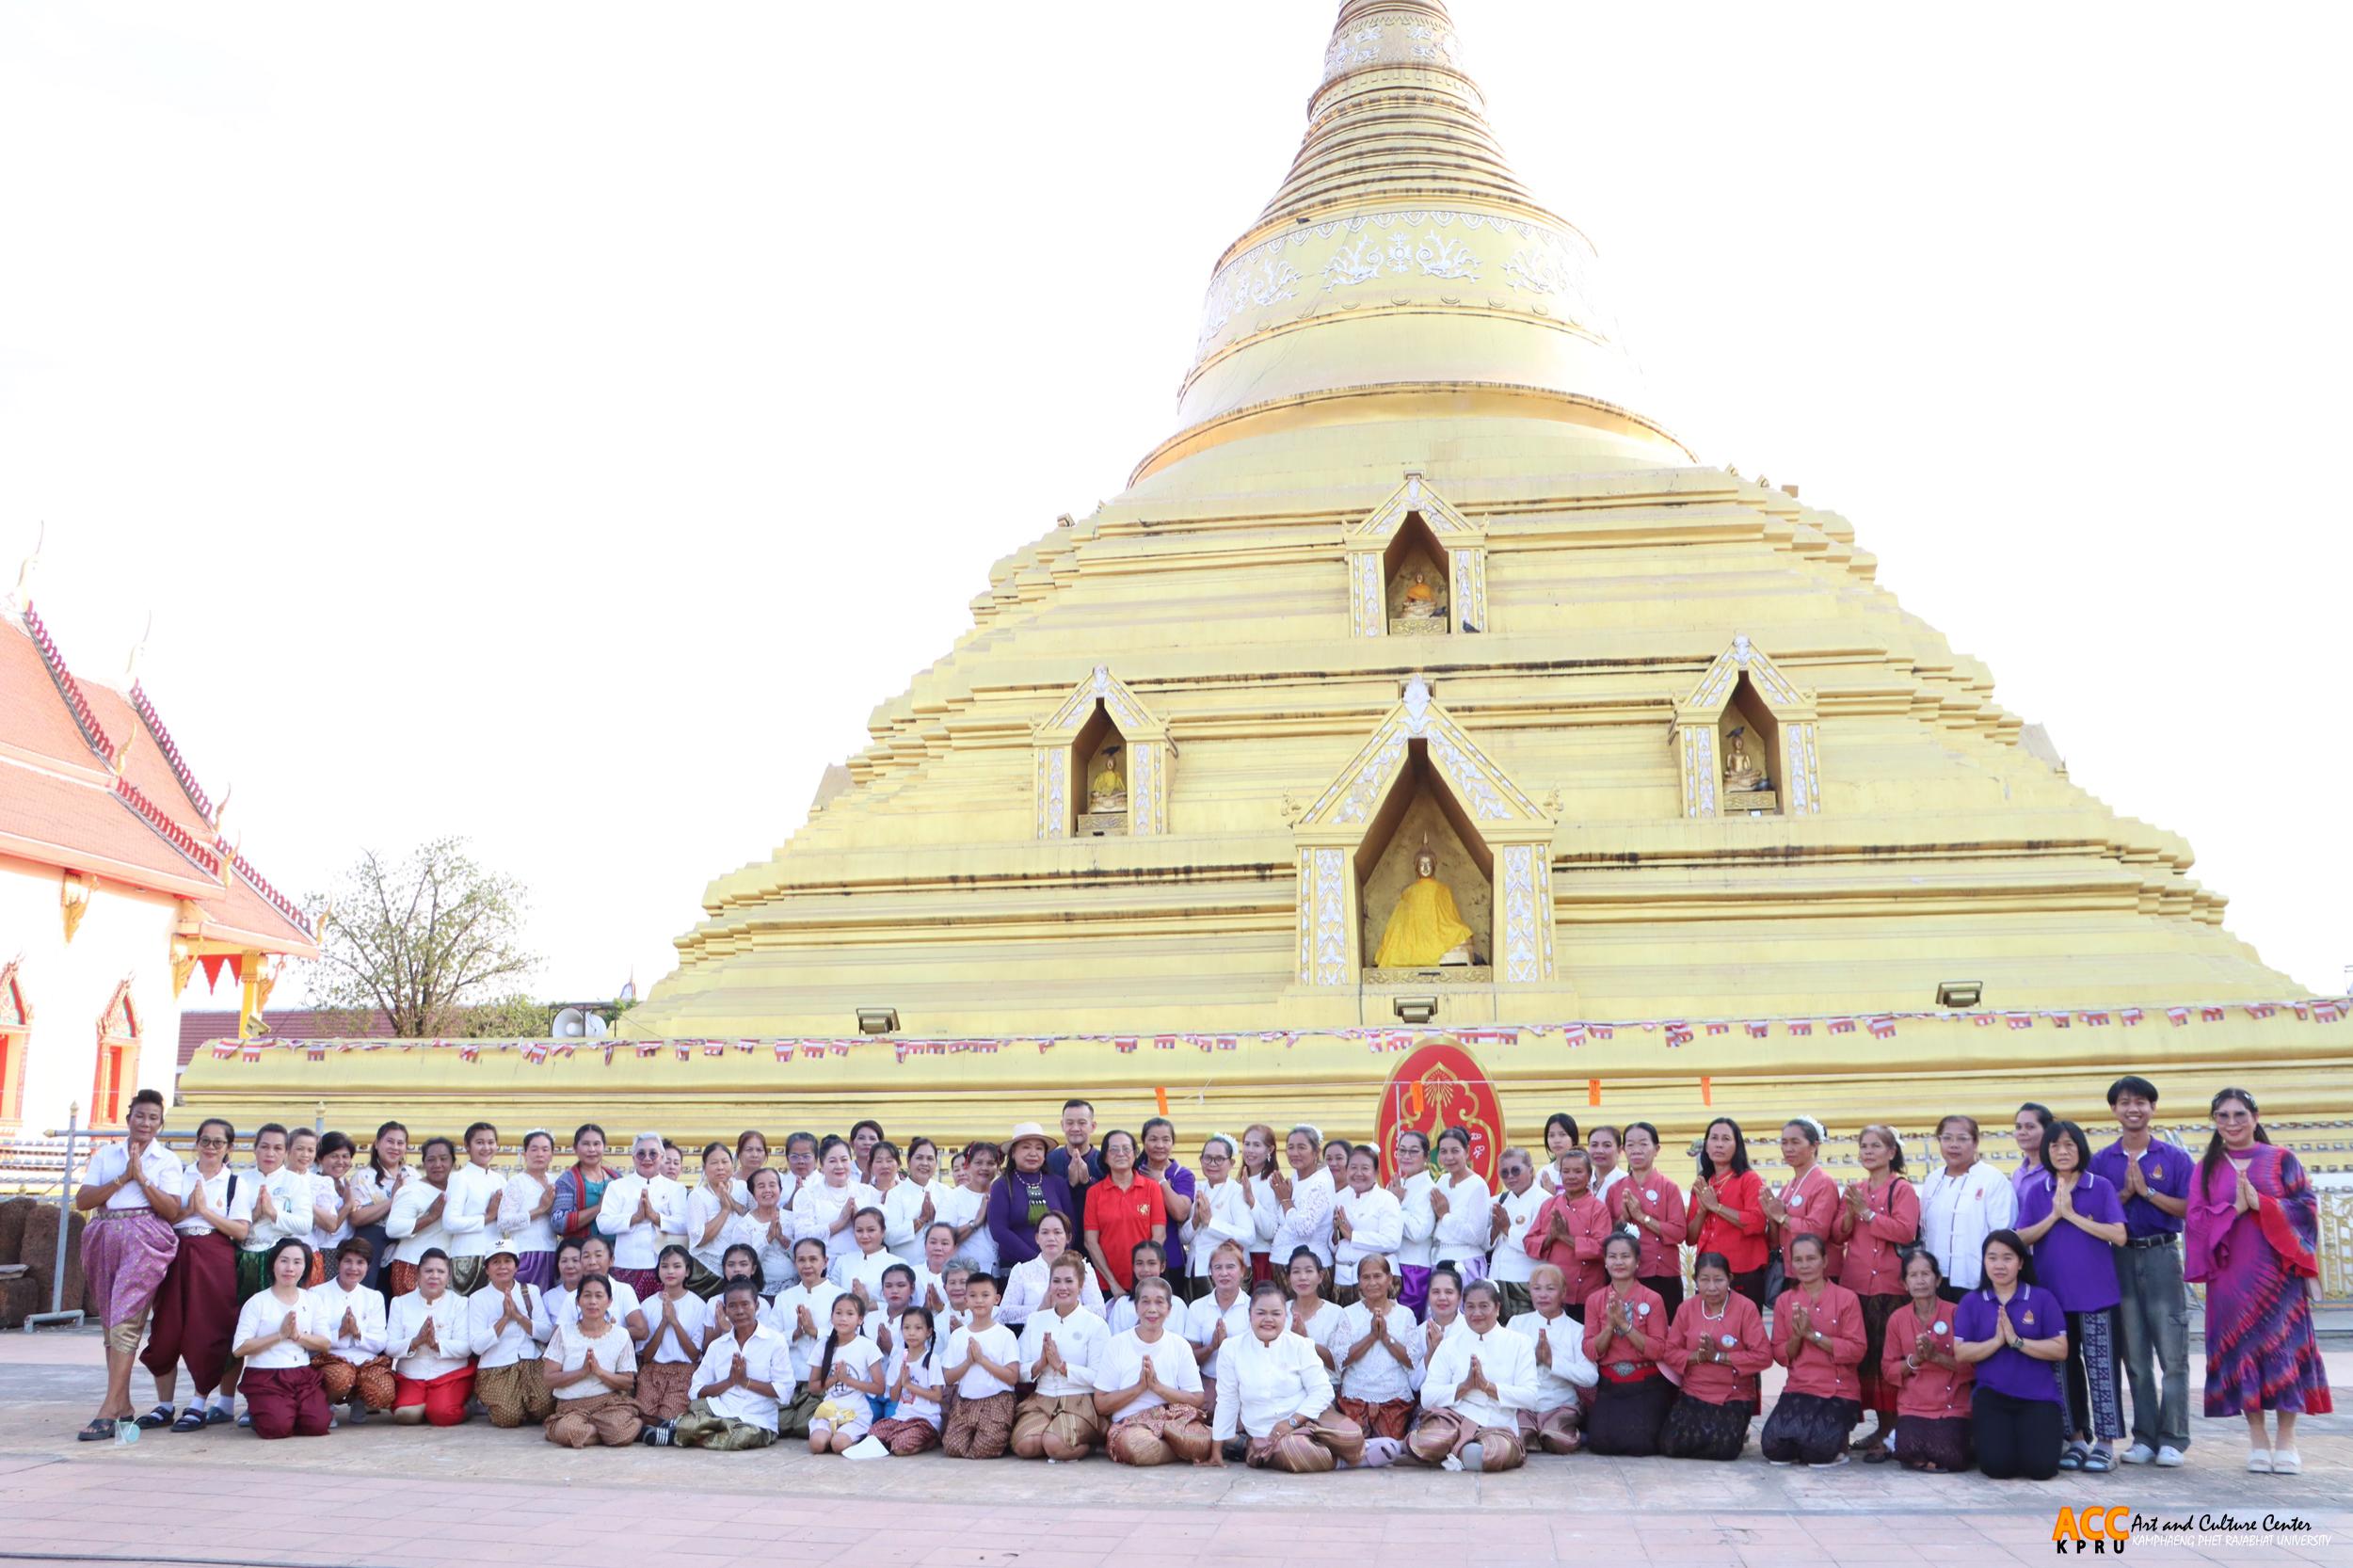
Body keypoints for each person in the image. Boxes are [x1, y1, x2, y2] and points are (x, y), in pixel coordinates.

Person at [2185, 1087, 2330, 1476]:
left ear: (2255, 1116)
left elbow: (2307, 1211)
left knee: (2282, 1348)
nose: (2231, 1123)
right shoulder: (2208, 1168)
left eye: (2239, 1115)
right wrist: (2234, 1208)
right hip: (2231, 1278)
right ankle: (2258, 1440)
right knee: (2243, 1351)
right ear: (2214, 1121)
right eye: (2223, 1116)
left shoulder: (2282, 1160)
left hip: (2279, 1275)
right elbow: (2196, 1222)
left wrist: (2263, 1205)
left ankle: (2287, 1440)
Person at [2091, 1074, 2194, 1467]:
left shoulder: (2174, 1158)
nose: (2133, 1109)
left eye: (2141, 1102)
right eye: (2125, 1102)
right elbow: (2096, 1211)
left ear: (2152, 1108)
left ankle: (2174, 1436)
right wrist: (2125, 1194)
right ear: (2114, 1110)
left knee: (2173, 1353)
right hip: (2118, 1256)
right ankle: (2145, 1436)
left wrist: (2148, 1193)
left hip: (2162, 1254)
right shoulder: (2103, 1161)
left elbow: (2187, 1208)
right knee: (2134, 1356)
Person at [2015, 1118, 2127, 1472]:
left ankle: (2106, 1444)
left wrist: (2073, 1215)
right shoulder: (2039, 1191)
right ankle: (2076, 1438)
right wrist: (2054, 1215)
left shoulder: (2100, 1186)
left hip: (2097, 1295)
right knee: (2061, 1369)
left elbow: (2119, 1235)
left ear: (2080, 1148)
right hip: (2053, 1298)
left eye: (2069, 1145)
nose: (2062, 1152)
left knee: (2101, 1369)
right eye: (2054, 1146)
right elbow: (2022, 1238)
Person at [73, 1087, 183, 1441]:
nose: (145, 1123)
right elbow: (83, 1200)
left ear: (160, 1124)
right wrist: (123, 1177)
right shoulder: (107, 1155)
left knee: (125, 1318)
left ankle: (108, 1410)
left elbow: (171, 1210)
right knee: (110, 1321)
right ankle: (123, 1405)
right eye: (140, 1116)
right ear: (129, 1118)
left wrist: (143, 1178)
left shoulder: (167, 1161)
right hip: (104, 1232)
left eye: (153, 1118)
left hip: (145, 1236)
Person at [143, 1115, 248, 1431]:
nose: (211, 1147)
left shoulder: (234, 1183)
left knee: (208, 1329)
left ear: (229, 1147)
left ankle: (199, 1402)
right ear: (196, 1143)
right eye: (205, 1140)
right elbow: (162, 1217)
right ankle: (164, 1405)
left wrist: (204, 1212)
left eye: (218, 1142)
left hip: (214, 1256)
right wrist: (189, 1211)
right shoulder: (179, 1175)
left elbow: (240, 1231)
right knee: (166, 1328)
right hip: (176, 1253)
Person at [1209, 1281, 1365, 1472]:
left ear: (1286, 1316)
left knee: (1353, 1436)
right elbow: (1227, 1400)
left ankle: (1341, 1451)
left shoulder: (1300, 1345)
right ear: (1249, 1315)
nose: (1268, 1319)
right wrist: (1216, 1450)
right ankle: (1352, 1459)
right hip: (1268, 1433)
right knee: (1298, 1451)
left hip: (1309, 1418)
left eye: (1276, 1313)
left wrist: (1292, 1421)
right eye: (1261, 1313)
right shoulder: (1231, 1349)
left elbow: (1322, 1391)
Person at [1832, 1122, 1918, 1459]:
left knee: (1888, 1360)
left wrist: (1866, 1214)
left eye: (1875, 1146)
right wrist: (1852, 1215)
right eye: (1864, 1146)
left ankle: (1894, 1430)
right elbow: (1838, 1235)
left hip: (1890, 1286)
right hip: (1856, 1286)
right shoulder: (1855, 1189)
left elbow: (1906, 1231)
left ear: (1891, 1152)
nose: (1868, 1152)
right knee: (1864, 1360)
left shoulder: (1902, 1190)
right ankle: (1880, 1428)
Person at [1954, 1230, 2068, 1480]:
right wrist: (1996, 1342)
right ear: (1984, 1262)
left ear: (2021, 1263)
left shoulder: (2041, 1298)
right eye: (1992, 1258)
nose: (1999, 1265)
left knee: (2041, 1470)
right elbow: (1961, 1352)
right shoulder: (1972, 1302)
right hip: (1993, 1397)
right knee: (1997, 1468)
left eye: (2007, 1258)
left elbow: (2060, 1349)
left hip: (2038, 1398)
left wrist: (2017, 1342)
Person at [1411, 1278, 1538, 1471]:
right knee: (1428, 1441)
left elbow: (1530, 1397)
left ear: (1497, 1308)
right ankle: (1460, 1451)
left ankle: (1453, 1453)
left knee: (1496, 1453)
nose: (1476, 1313)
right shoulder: (1449, 1345)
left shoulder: (1520, 1343)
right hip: (1455, 1419)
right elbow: (1428, 1397)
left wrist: (1488, 1387)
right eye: (1470, 1307)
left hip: (1498, 1424)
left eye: (1484, 1306)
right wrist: (1464, 1387)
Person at [1762, 1233, 1865, 1466]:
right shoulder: (1785, 1301)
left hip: (1838, 1389)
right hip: (1800, 1387)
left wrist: (1813, 1335)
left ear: (1825, 1261)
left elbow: (1856, 1350)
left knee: (1818, 1453)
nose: (1805, 1265)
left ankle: (1832, 1443)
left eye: (1811, 1258)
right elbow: (1780, 1354)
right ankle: (1812, 1439)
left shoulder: (1846, 1298)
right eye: (1798, 1260)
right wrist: (1798, 1337)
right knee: (1774, 1449)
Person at [1657, 1252, 1771, 1461]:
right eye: (1704, 1280)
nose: (1711, 1287)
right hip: (1695, 1391)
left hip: (1732, 1394)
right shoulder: (1686, 1309)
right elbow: (1670, 1351)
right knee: (1671, 1445)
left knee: (1723, 1450)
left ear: (1730, 1278)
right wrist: (1698, 1357)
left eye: (1718, 1280)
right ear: (1695, 1280)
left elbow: (1763, 1356)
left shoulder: (1745, 1308)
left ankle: (1736, 1432)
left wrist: (1719, 1357)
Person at [1096, 1276, 1215, 1465]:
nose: (1152, 1309)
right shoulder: (1116, 1344)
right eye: (1145, 1302)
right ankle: (1179, 1449)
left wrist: (1158, 1388)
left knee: (1203, 1442)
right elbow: (1101, 1404)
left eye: (1159, 1302)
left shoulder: (1179, 1345)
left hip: (1171, 1420)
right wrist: (1139, 1388)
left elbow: (1197, 1399)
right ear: (1136, 1307)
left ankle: (1174, 1446)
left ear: (1169, 1310)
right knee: (1142, 1449)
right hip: (1130, 1425)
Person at [228, 1238, 332, 1440]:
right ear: (273, 1264)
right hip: (266, 1374)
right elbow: (239, 1348)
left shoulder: (312, 1299)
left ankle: (284, 1410)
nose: (290, 1268)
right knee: (276, 1429)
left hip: (301, 1373)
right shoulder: (257, 1302)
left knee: (317, 1425)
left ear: (305, 1267)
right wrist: (279, 1335)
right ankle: (261, 1410)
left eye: (297, 1262)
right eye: (284, 1261)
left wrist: (298, 1336)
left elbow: (325, 1343)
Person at [670, 1278, 792, 1450]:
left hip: (756, 1419)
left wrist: (745, 1382)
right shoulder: (718, 1346)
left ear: (757, 1306)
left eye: (745, 1304)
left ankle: (679, 1435)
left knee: (741, 1437)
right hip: (721, 1410)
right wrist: (729, 1382)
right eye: (733, 1306)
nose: (739, 1311)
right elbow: (696, 1390)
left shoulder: (774, 1341)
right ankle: (689, 1431)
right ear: (725, 1310)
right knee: (689, 1421)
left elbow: (785, 1391)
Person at [1012, 1252, 1111, 1460]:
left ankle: (1087, 1444)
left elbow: (1100, 1376)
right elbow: (1018, 1368)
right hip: (1042, 1398)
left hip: (1078, 1400)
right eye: (1056, 1281)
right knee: (1024, 1446)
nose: (1062, 1287)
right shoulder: (1036, 1320)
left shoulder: (1095, 1324)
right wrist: (1040, 1364)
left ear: (1081, 1285)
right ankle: (1055, 1435)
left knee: (1053, 1445)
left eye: (1069, 1281)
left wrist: (1062, 1366)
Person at [1580, 1234, 1672, 1455]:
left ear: (1638, 1262)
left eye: (1625, 1256)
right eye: (1612, 1256)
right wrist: (1610, 1325)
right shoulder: (1595, 1300)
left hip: (1645, 1385)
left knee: (1641, 1445)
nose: (1618, 1262)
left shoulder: (1652, 1299)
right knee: (1600, 1444)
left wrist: (1625, 1324)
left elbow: (1658, 1349)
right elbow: (1591, 1350)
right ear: (1604, 1261)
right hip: (1611, 1385)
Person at [1882, 1250, 1973, 1472]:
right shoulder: (1898, 1319)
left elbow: (1973, 1368)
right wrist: (1915, 1360)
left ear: (1938, 1279)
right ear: (1904, 1283)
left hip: (1951, 1404)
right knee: (1906, 1450)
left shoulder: (1956, 1313)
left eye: (1926, 1274)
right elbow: (1889, 1369)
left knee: (1951, 1457)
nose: (1920, 1281)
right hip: (1914, 1404)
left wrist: (1936, 1357)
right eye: (1913, 1275)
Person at [1503, 1262, 1597, 1455]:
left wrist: (1552, 1362)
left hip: (1560, 1405)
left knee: (1558, 1441)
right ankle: (1535, 1433)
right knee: (1517, 1439)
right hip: (1525, 1405)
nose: (1543, 1295)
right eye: (1536, 1288)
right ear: (1530, 1291)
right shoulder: (1517, 1323)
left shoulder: (1576, 1330)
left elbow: (1590, 1377)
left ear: (1563, 1293)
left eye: (1550, 1289)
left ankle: (1560, 1433)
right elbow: (1503, 1366)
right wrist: (1534, 1360)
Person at [1919, 1114, 2016, 1300]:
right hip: (1936, 1281)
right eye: (1946, 1138)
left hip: (1977, 1279)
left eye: (1962, 1139)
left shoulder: (1992, 1179)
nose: (1953, 1145)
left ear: (1975, 1142)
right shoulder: (1933, 1180)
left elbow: (2002, 1233)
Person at [543, 1273, 642, 1448]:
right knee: (568, 1431)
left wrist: (599, 1372)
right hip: (571, 1407)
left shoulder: (621, 1334)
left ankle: (598, 1432)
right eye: (587, 1295)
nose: (593, 1301)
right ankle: (606, 1434)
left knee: (617, 1432)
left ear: (609, 1301)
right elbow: (549, 1378)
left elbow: (628, 1382)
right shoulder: (564, 1333)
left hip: (609, 1404)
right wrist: (582, 1373)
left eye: (599, 1296)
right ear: (578, 1301)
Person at [1332, 1252, 1421, 1443]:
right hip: (1354, 1397)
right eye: (1366, 1277)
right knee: (1353, 1444)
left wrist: (1386, 1337)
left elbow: (1413, 1360)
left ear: (1389, 1279)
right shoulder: (1348, 1313)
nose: (1372, 1282)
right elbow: (1341, 1358)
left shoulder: (1405, 1315)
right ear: (1359, 1282)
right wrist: (1372, 1336)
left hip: (1394, 1398)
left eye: (1378, 1276)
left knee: (1387, 1446)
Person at [764, 1237, 849, 1437]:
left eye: (813, 1259)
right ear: (795, 1263)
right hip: (791, 1378)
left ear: (825, 1262)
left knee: (804, 1427)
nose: (807, 1265)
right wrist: (795, 1334)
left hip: (824, 1379)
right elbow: (771, 1338)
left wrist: (814, 1331)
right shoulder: (784, 1298)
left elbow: (847, 1337)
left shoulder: (840, 1296)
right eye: (802, 1260)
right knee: (778, 1425)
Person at [467, 1239, 552, 1429]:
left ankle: (525, 1405)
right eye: (496, 1262)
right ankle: (507, 1404)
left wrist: (519, 1317)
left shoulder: (531, 1291)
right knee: (508, 1417)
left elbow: (546, 1333)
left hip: (532, 1362)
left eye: (507, 1261)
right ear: (487, 1269)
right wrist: (505, 1318)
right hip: (497, 1366)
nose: (502, 1267)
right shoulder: (478, 1298)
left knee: (545, 1408)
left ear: (516, 1267)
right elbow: (477, 1345)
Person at [308, 1238, 392, 1423]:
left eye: (360, 1262)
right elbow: (313, 1340)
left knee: (384, 1392)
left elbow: (380, 1342)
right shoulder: (317, 1294)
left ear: (368, 1267)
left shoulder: (374, 1297)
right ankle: (325, 1405)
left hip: (365, 1360)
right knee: (341, 1377)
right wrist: (340, 1333)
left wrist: (357, 1332)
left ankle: (359, 1400)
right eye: (348, 1261)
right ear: (338, 1263)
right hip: (330, 1359)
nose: (353, 1268)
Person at [628, 1243, 710, 1432]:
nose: (670, 1271)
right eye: (664, 1266)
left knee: (669, 1415)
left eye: (677, 1266)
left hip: (683, 1372)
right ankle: (660, 1431)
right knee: (643, 1414)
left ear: (687, 1271)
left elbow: (693, 1354)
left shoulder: (697, 1305)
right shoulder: (648, 1305)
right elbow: (646, 1356)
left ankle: (661, 1431)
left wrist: (674, 1321)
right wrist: (663, 1323)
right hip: (652, 1371)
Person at [385, 1249, 472, 1426]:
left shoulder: (460, 1303)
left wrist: (436, 1344)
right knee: (405, 1415)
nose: (434, 1276)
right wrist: (415, 1342)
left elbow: (465, 1347)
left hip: (448, 1374)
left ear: (448, 1277)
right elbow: (390, 1347)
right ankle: (427, 1405)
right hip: (412, 1375)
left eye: (440, 1272)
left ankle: (467, 1406)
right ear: (418, 1274)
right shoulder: (400, 1303)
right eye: (428, 1271)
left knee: (443, 1415)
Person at [598, 1132, 688, 1299]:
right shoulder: (617, 1187)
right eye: (641, 1154)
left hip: (663, 1268)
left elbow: (684, 1224)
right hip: (626, 1265)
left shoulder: (676, 1189)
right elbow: (603, 1224)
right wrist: (635, 1218)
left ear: (661, 1157)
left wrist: (656, 1218)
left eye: (653, 1154)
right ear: (633, 1158)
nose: (647, 1158)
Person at [940, 1272, 1020, 1459]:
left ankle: (997, 1435)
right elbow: (948, 1377)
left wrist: (982, 1360)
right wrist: (968, 1361)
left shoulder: (1004, 1334)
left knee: (985, 1449)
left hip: (996, 1401)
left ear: (996, 1299)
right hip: (965, 1402)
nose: (979, 1301)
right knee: (952, 1447)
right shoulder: (958, 1335)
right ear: (966, 1300)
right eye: (973, 1296)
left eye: (985, 1295)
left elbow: (1012, 1377)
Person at [1689, 1117, 1768, 1305]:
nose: (1719, 1144)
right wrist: (1702, 1210)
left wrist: (1717, 1207)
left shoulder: (1749, 1179)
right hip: (1708, 1272)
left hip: (1743, 1270)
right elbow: (1690, 1238)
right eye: (1714, 1138)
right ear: (1706, 1146)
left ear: (1737, 1145)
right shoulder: (1703, 1182)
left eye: (1726, 1139)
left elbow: (1757, 1223)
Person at [1613, 1122, 1689, 1316]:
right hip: (1628, 1275)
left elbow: (1679, 1233)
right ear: (1623, 1150)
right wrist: (1624, 1218)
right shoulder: (1615, 1189)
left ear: (1656, 1149)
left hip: (1663, 1274)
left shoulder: (1668, 1187)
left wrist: (1642, 1217)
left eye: (1643, 1144)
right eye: (1630, 1145)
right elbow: (1609, 1236)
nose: (1636, 1150)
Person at [1764, 1117, 1840, 1305]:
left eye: (1795, 1142)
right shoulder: (1789, 1186)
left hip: (1820, 1273)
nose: (1788, 1148)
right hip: (1793, 1270)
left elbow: (1817, 1232)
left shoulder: (1823, 1182)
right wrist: (1771, 1218)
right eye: (1784, 1142)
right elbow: (1775, 1241)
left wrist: (1782, 1217)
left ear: (1814, 1146)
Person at [1525, 1148, 1608, 1320]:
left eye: (1578, 1171)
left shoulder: (1598, 1208)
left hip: (1587, 1291)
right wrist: (1550, 1237)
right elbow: (1529, 1243)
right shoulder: (1549, 1205)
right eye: (1566, 1171)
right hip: (1552, 1291)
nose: (1571, 1176)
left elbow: (1602, 1249)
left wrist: (1564, 1237)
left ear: (1589, 1174)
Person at [1082, 1129, 1165, 1298]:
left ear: (1135, 1154)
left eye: (1126, 1149)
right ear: (1105, 1156)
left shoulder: (1151, 1188)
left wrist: (1146, 1275)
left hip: (1146, 1282)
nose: (1121, 1154)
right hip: (1107, 1284)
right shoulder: (1094, 1193)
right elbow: (1091, 1241)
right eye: (1113, 1149)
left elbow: (1159, 1236)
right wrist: (1113, 1283)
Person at [986, 1123, 1076, 1273]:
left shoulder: (1058, 1183)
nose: (1033, 1153)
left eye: (1039, 1148)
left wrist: (1060, 1258)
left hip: (1056, 1267)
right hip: (1016, 1268)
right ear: (1013, 1153)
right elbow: (999, 1230)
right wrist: (1037, 1261)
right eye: (1026, 1147)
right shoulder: (1001, 1185)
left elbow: (1070, 1225)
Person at [804, 1292, 885, 1453]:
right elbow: (813, 1387)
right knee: (817, 1445)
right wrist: (834, 1378)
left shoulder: (867, 1347)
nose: (843, 1318)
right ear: (831, 1317)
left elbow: (879, 1387)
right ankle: (831, 1434)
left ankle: (852, 1437)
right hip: (829, 1411)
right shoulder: (823, 1346)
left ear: (860, 1319)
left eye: (850, 1314)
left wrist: (847, 1380)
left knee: (838, 1444)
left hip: (856, 1414)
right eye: (838, 1313)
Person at [867, 1304, 950, 1455]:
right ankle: (899, 1437)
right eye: (907, 1328)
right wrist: (901, 1378)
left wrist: (910, 1385)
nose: (912, 1333)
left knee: (900, 1447)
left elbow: (937, 1396)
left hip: (924, 1419)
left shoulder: (932, 1359)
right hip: (901, 1417)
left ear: (929, 1332)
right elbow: (893, 1397)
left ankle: (929, 1440)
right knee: (873, 1434)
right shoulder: (899, 1358)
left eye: (918, 1328)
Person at [1000, 1210, 1105, 1327]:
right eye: (1045, 1232)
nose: (1051, 1238)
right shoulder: (1021, 1270)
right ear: (1037, 1238)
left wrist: (1064, 1310)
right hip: (1033, 1336)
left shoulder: (1083, 1268)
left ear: (1068, 1237)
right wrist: (1041, 1308)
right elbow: (1004, 1313)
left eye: (1057, 1232)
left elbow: (1100, 1311)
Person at [383, 1136, 456, 1299]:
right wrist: (431, 1217)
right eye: (431, 1160)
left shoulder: (457, 1190)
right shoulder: (411, 1191)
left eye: (443, 1159)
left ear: (453, 1162)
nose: (438, 1165)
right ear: (424, 1163)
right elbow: (393, 1229)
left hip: (445, 1267)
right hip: (412, 1265)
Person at [1185, 1135, 1256, 1301]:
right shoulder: (1196, 1188)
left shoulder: (1237, 1192)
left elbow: (1248, 1236)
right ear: (1201, 1160)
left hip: (1225, 1273)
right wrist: (1195, 1221)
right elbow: (1184, 1237)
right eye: (1208, 1158)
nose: (1212, 1164)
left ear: (1231, 1163)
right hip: (1195, 1270)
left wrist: (1210, 1222)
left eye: (1219, 1159)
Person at [344, 1121, 411, 1293]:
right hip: (371, 1248)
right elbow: (356, 1217)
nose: (395, 1147)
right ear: (377, 1143)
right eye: (390, 1141)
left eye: (400, 1143)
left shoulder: (413, 1176)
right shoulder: (364, 1177)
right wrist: (394, 1200)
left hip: (404, 1250)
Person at [1331, 1145, 1402, 1304]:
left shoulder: (1386, 1199)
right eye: (1353, 1168)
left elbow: (1392, 1241)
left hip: (1375, 1280)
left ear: (1376, 1172)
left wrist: (1353, 1236)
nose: (1358, 1173)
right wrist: (1336, 1236)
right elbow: (1334, 1243)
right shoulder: (1339, 1197)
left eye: (1365, 1168)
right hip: (1342, 1279)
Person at [1186, 1239, 1253, 1403]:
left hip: (1245, 1385)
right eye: (1218, 1267)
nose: (1224, 1273)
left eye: (1230, 1267)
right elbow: (1189, 1358)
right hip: (1207, 1383)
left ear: (1243, 1271)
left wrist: (1228, 1347)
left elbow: (1261, 1355)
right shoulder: (1197, 1307)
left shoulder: (1252, 1307)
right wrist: (1211, 1347)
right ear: (1210, 1272)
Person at [441, 1121, 504, 1294]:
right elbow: (449, 1222)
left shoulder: (500, 1180)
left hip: (495, 1257)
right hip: (467, 1258)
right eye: (479, 1142)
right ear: (467, 1146)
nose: (486, 1147)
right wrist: (488, 1217)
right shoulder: (460, 1178)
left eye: (491, 1142)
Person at [495, 1129, 561, 1289]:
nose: (539, 1154)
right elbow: (503, 1222)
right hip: (526, 1254)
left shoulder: (556, 1181)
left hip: (553, 1253)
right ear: (525, 1153)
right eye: (534, 1149)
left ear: (552, 1155)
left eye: (545, 1149)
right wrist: (540, 1210)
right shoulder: (517, 1182)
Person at [1427, 1126, 1492, 1288]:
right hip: (1437, 1261)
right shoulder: (1442, 1181)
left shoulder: (1477, 1185)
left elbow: (1476, 1236)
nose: (1449, 1157)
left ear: (1467, 1151)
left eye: (1455, 1151)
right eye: (1443, 1151)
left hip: (1465, 1263)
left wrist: (1446, 1216)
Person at [1486, 1145, 1546, 1320]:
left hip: (1523, 1283)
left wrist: (1507, 1229)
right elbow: (1488, 1242)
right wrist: (1496, 1229)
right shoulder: (1502, 1200)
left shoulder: (1543, 1201)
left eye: (1515, 1170)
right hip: (1496, 1279)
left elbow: (1539, 1246)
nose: (1510, 1177)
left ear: (1531, 1170)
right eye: (1504, 1173)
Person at [1385, 1128, 1438, 1317]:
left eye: (1413, 1151)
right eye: (1402, 1150)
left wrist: (1396, 1205)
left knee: (1408, 1324)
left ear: (1426, 1157)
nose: (1406, 1156)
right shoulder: (1398, 1184)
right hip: (1392, 1266)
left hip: (1414, 1268)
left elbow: (1418, 1232)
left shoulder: (1429, 1189)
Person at [1269, 1125, 1337, 1271]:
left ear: (1316, 1152)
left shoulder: (1320, 1183)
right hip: (1283, 1263)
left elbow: (1304, 1228)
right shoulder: (1295, 1179)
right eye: (1290, 1147)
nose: (1295, 1153)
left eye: (1302, 1147)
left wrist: (1286, 1201)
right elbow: (1283, 1222)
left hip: (1309, 1268)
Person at [1138, 1116, 1196, 1273]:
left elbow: (1180, 1213)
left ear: (1173, 1143)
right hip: (1137, 1258)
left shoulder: (1182, 1175)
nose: (1160, 1145)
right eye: (1153, 1139)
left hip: (1171, 1258)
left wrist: (1161, 1181)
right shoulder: (1133, 1173)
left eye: (1166, 1140)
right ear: (1144, 1142)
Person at [684, 1142, 744, 1294]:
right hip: (707, 1272)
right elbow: (699, 1238)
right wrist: (724, 1211)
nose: (720, 1167)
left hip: (742, 1268)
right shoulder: (697, 1196)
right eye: (714, 1163)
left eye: (725, 1162)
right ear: (704, 1167)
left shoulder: (743, 1188)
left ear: (733, 1165)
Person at [938, 1140, 999, 1280]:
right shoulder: (953, 1197)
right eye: (978, 1163)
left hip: (998, 1275)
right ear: (967, 1165)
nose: (984, 1168)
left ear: (998, 1167)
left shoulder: (1002, 1194)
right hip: (964, 1277)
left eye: (991, 1163)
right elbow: (942, 1239)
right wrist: (976, 1222)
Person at [729, 1166, 796, 1294]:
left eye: (772, 1185)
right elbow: (743, 1263)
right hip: (759, 1291)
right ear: (753, 1193)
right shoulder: (744, 1225)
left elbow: (802, 1256)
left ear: (780, 1190)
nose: (767, 1190)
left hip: (793, 1288)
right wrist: (768, 1238)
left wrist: (783, 1239)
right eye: (761, 1186)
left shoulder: (792, 1219)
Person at [546, 1124, 614, 1249]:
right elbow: (559, 1223)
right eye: (586, 1144)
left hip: (615, 1254)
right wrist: (598, 1208)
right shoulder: (567, 1181)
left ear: (604, 1147)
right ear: (575, 1148)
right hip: (580, 1254)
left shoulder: (616, 1178)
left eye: (596, 1144)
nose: (592, 1149)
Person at [869, 1141, 933, 1270]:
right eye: (919, 1158)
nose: (925, 1163)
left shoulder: (946, 1192)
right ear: (909, 1162)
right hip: (903, 1271)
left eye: (930, 1158)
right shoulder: (895, 1194)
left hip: (939, 1271)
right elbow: (889, 1237)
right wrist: (921, 1220)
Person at [1284, 1247, 1344, 1372]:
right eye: (1296, 1272)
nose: (1303, 1277)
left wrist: (1306, 1340)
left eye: (1309, 1271)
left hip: (1326, 1386)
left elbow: (1338, 1365)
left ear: (1320, 1276)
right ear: (1289, 1277)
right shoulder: (1280, 1311)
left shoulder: (1336, 1313)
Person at [1240, 1124, 1284, 1286]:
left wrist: (1251, 1200)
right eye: (1247, 1144)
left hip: (1260, 1259)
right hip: (1240, 1258)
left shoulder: (1271, 1182)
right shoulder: (1240, 1181)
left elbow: (1270, 1231)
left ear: (1270, 1150)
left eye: (1257, 1145)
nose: (1249, 1150)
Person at [1104, 1240, 1167, 1335]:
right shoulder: (1122, 1305)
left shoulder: (1178, 1305)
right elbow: (1114, 1342)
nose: (1145, 1269)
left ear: (1162, 1266)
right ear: (1133, 1267)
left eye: (1151, 1263)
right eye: (1139, 1263)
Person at [1046, 1098, 1103, 1193]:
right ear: (1062, 1125)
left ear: (1093, 1126)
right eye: (1070, 1123)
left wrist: (1088, 1182)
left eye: (1082, 1123)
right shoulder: (1049, 1160)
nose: (1075, 1128)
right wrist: (1069, 1183)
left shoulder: (1104, 1162)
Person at [2012, 1102, 2057, 1209]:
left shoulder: (2055, 1172)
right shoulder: (2018, 1173)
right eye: (2018, 1127)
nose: (2022, 1132)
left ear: (2047, 1130)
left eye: (2030, 1127)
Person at [1535, 1112, 1581, 1194]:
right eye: (1551, 1135)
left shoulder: (1584, 1171)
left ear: (1573, 1139)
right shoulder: (1544, 1173)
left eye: (1562, 1135)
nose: (1557, 1140)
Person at [1587, 1125, 1626, 1208]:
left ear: (1619, 1150)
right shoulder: (1582, 1180)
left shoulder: (1625, 1181)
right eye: (1594, 1145)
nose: (1599, 1151)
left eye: (1607, 1145)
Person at [846, 1119, 886, 1185]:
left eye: (872, 1138)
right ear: (851, 1143)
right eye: (861, 1138)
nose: (867, 1143)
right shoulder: (844, 1171)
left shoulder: (888, 1171)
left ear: (881, 1143)